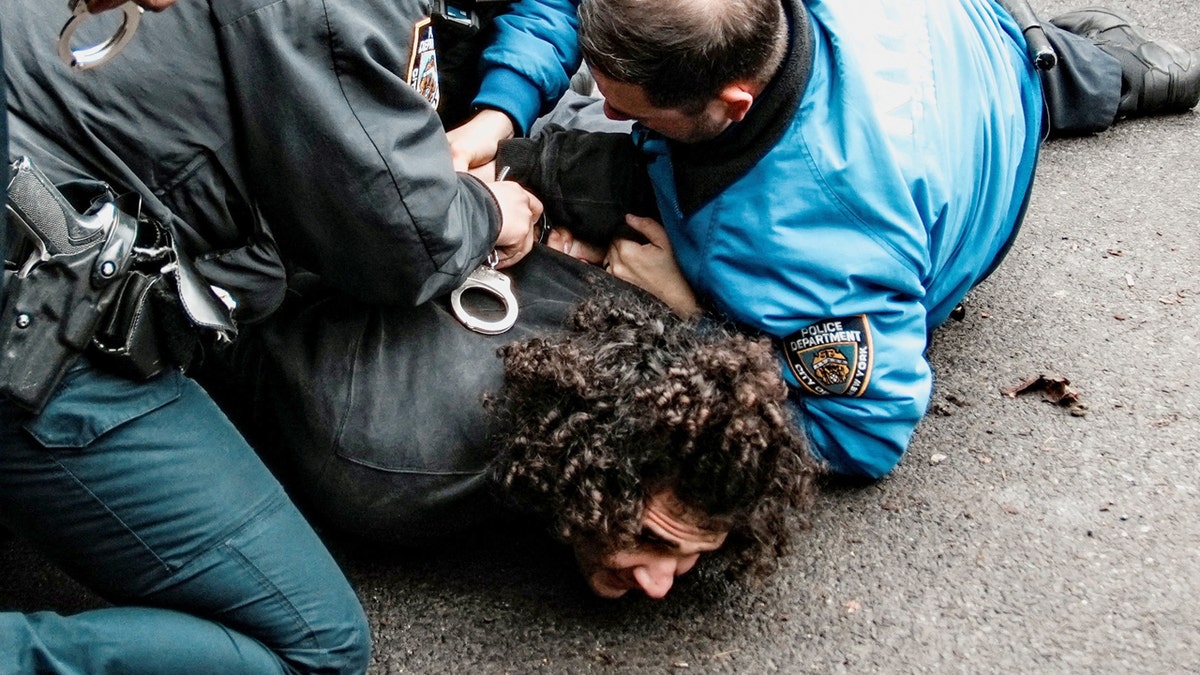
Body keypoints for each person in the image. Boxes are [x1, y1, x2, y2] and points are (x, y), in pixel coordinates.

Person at [0, 0, 580, 671]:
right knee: (316, 646)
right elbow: (401, 238)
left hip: (42, 156)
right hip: (43, 310)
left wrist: (495, 111)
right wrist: (488, 211)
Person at [493, 0, 1200, 480]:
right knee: (1037, 68)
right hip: (960, 36)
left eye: (633, 108)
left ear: (734, 103)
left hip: (968, 165)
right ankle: (1090, 69)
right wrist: (500, 125)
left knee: (620, 179)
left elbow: (861, 433)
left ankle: (1071, 74)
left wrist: (693, 323)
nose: (609, 109)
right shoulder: (743, 32)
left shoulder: (811, 241)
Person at [201, 245, 819, 601]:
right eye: (655, 539)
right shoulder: (391, 474)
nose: (661, 586)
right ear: (597, 471)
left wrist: (692, 321)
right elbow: (248, 308)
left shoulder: (646, 329)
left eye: (691, 554)